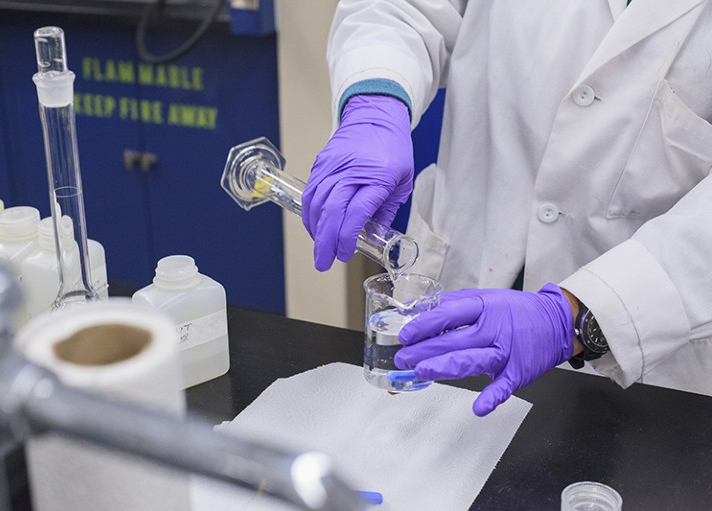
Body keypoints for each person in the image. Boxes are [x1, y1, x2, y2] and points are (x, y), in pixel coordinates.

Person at [301, 0, 712, 415]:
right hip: (464, 288)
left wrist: (576, 316)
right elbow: (403, 7)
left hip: (647, 352)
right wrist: (376, 99)